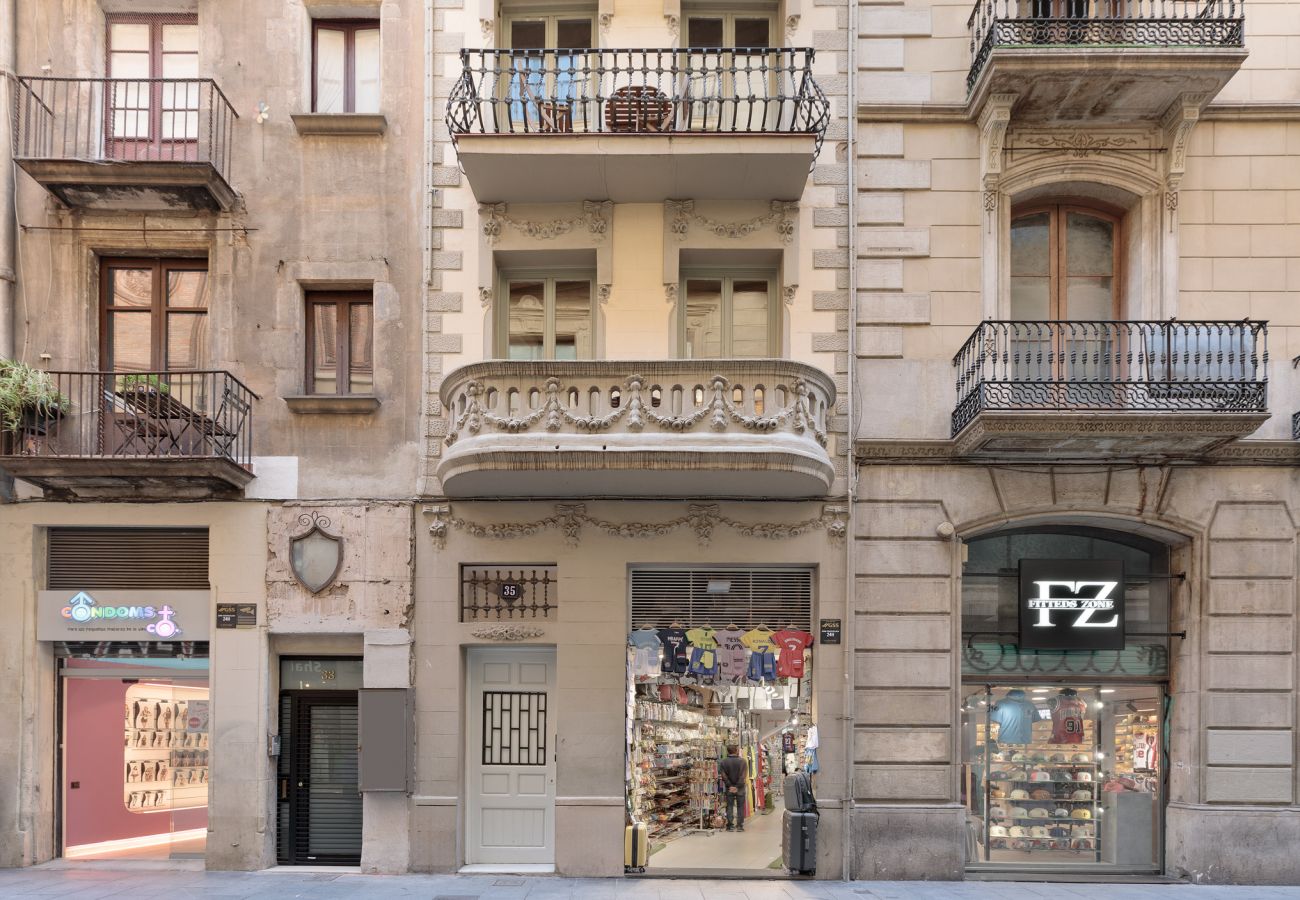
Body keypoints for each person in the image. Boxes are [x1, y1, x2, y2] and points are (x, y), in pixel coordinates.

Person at [719, 745, 748, 832]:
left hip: (729, 788)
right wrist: (737, 786)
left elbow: (723, 776)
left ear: (727, 751)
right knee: (740, 807)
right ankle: (739, 826)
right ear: (736, 751)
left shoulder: (723, 762)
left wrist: (730, 785)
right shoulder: (743, 761)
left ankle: (730, 826)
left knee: (730, 806)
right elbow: (743, 775)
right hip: (740, 788)